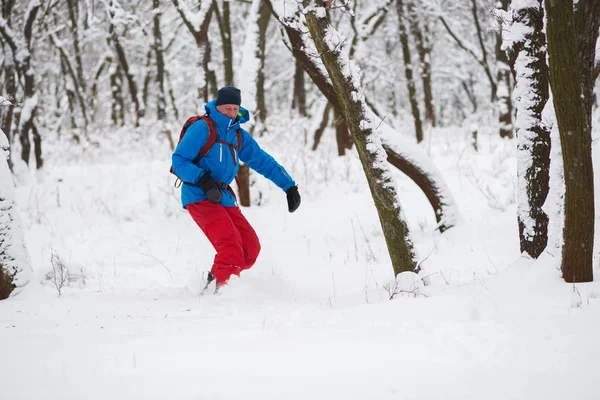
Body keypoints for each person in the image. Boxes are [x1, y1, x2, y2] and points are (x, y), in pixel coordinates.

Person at [171, 86, 301, 292]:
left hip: (222, 196)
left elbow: (262, 160)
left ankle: (214, 281)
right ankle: (222, 293)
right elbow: (179, 160)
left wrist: (289, 186)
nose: (232, 113)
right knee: (230, 245)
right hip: (198, 194)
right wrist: (203, 180)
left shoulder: (238, 135)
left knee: (249, 248)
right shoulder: (203, 128)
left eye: (235, 109)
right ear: (218, 107)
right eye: (227, 108)